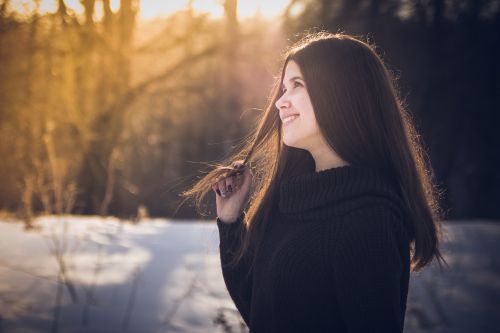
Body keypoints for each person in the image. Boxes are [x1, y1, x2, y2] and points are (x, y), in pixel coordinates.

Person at [182, 31, 447, 333]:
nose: (281, 102)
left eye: (298, 84)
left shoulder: (367, 221)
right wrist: (230, 223)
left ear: (342, 94)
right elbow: (262, 311)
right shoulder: (292, 199)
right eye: (283, 88)